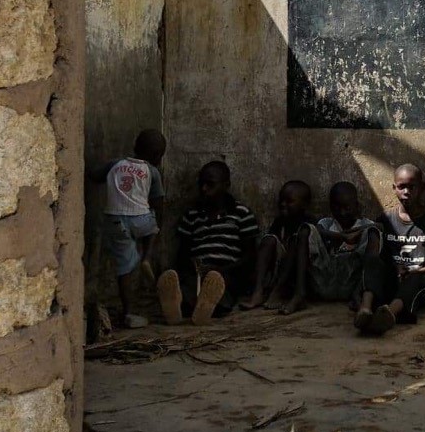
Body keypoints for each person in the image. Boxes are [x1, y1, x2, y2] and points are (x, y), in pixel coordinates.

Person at [92, 129, 170, 331]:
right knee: (152, 222)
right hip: (141, 220)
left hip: (115, 219)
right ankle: (147, 256)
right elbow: (158, 203)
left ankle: (128, 312)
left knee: (125, 266)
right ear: (157, 157)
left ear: (135, 148)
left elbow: (94, 175)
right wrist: (157, 226)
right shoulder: (152, 171)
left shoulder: (115, 164)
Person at [355, 163, 425, 335]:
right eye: (401, 187)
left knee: (415, 278)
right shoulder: (385, 219)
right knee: (372, 262)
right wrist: (394, 268)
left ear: (422, 188)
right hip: (393, 279)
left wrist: (418, 271)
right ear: (394, 188)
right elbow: (377, 258)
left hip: (421, 280)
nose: (407, 192)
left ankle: (389, 314)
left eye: (412, 187)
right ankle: (365, 310)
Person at [165, 159, 260, 325]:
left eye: (210, 184)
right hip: (198, 272)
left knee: (219, 288)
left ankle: (200, 307)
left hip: (226, 271)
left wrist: (221, 269)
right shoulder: (192, 215)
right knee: (189, 286)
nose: (204, 189)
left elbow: (250, 256)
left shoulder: (241, 213)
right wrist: (192, 266)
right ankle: (181, 306)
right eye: (201, 184)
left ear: (226, 185)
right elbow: (183, 252)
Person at [247, 179, 317, 314]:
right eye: (281, 200)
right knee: (268, 240)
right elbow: (272, 245)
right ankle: (258, 291)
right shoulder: (280, 221)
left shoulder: (309, 223)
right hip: (279, 267)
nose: (283, 204)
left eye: (289, 201)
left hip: (297, 273)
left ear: (304, 205)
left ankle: (278, 291)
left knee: (295, 241)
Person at [312, 181, 381, 304]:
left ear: (357, 206)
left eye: (347, 208)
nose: (342, 213)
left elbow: (380, 227)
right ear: (331, 207)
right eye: (336, 208)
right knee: (306, 230)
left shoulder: (365, 225)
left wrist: (358, 231)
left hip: (353, 279)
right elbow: (316, 230)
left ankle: (359, 293)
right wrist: (341, 237)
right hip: (327, 280)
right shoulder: (327, 223)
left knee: (373, 232)